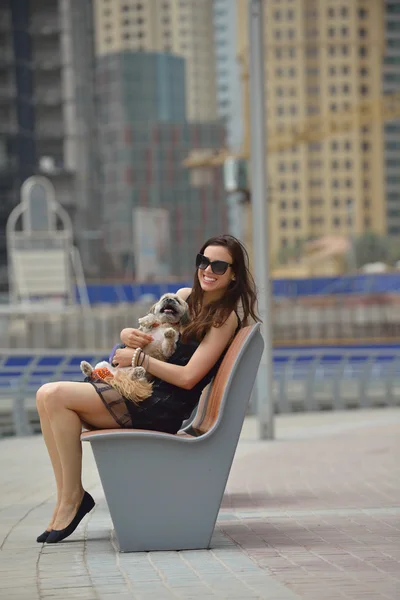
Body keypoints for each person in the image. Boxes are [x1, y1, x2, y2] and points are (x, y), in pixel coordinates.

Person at [35, 234, 259, 544]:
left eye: (219, 266)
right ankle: (67, 498)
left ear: (234, 274)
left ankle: (73, 498)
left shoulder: (223, 319)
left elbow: (188, 378)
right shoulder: (183, 297)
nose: (208, 270)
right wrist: (129, 336)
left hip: (159, 406)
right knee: (45, 396)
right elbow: (149, 336)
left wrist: (139, 358)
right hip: (140, 393)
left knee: (55, 396)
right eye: (203, 262)